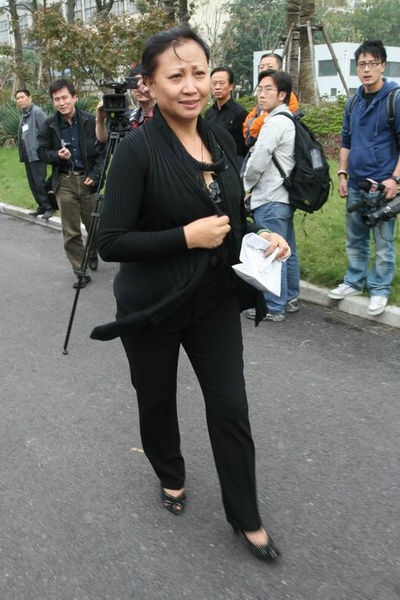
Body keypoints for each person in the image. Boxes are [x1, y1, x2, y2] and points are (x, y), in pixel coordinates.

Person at [91, 24, 292, 562]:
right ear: (150, 85)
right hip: (153, 305)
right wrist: (185, 237)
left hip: (213, 300)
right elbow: (110, 241)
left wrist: (261, 236)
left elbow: (231, 214)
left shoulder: (221, 139)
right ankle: (170, 473)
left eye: (199, 73)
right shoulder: (136, 151)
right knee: (156, 400)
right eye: (175, 75)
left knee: (231, 407)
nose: (190, 86)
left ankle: (245, 515)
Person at [328, 40, 400, 316]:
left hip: (383, 186)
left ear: (382, 65)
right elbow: (346, 141)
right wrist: (342, 174)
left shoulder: (395, 99)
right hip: (356, 183)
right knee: (355, 238)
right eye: (361, 64)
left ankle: (380, 289)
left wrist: (395, 179)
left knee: (383, 243)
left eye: (372, 63)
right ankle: (354, 281)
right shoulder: (353, 102)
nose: (366, 69)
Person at [243, 69, 300, 322]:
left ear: (282, 94)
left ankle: (274, 306)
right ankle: (290, 298)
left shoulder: (274, 122)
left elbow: (258, 160)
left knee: (272, 253)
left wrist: (245, 186)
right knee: (288, 250)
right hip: (283, 197)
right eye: (260, 89)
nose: (262, 95)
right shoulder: (288, 119)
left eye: (268, 90)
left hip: (270, 197)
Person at [37, 79, 104, 288]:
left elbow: (103, 152)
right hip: (64, 181)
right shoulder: (49, 125)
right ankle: (80, 271)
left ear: (74, 97)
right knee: (71, 231)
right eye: (56, 99)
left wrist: (95, 174)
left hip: (88, 181)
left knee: (94, 226)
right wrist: (57, 155)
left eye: (65, 97)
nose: (61, 102)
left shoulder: (91, 121)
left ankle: (92, 252)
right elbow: (41, 152)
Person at [243, 53, 299, 149]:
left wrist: (252, 128)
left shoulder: (288, 97)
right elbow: (248, 122)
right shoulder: (263, 97)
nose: (265, 70)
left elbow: (254, 127)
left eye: (269, 67)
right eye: (261, 67)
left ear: (280, 71)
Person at [15, 89, 54, 219]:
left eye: (22, 97)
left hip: (37, 154)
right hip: (27, 154)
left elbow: (47, 130)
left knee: (40, 183)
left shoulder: (37, 112)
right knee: (33, 183)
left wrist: (42, 148)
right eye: (18, 98)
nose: (20, 100)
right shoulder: (24, 115)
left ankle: (49, 207)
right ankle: (41, 206)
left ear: (30, 98)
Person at [95, 63, 155, 144]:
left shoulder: (163, 114)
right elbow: (103, 139)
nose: (139, 88)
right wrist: (99, 120)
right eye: (134, 84)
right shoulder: (130, 117)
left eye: (144, 83)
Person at [204, 67, 248, 166]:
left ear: (231, 86)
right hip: (213, 162)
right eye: (214, 84)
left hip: (234, 162)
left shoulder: (240, 113)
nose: (217, 87)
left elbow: (246, 144)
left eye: (221, 83)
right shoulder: (209, 113)